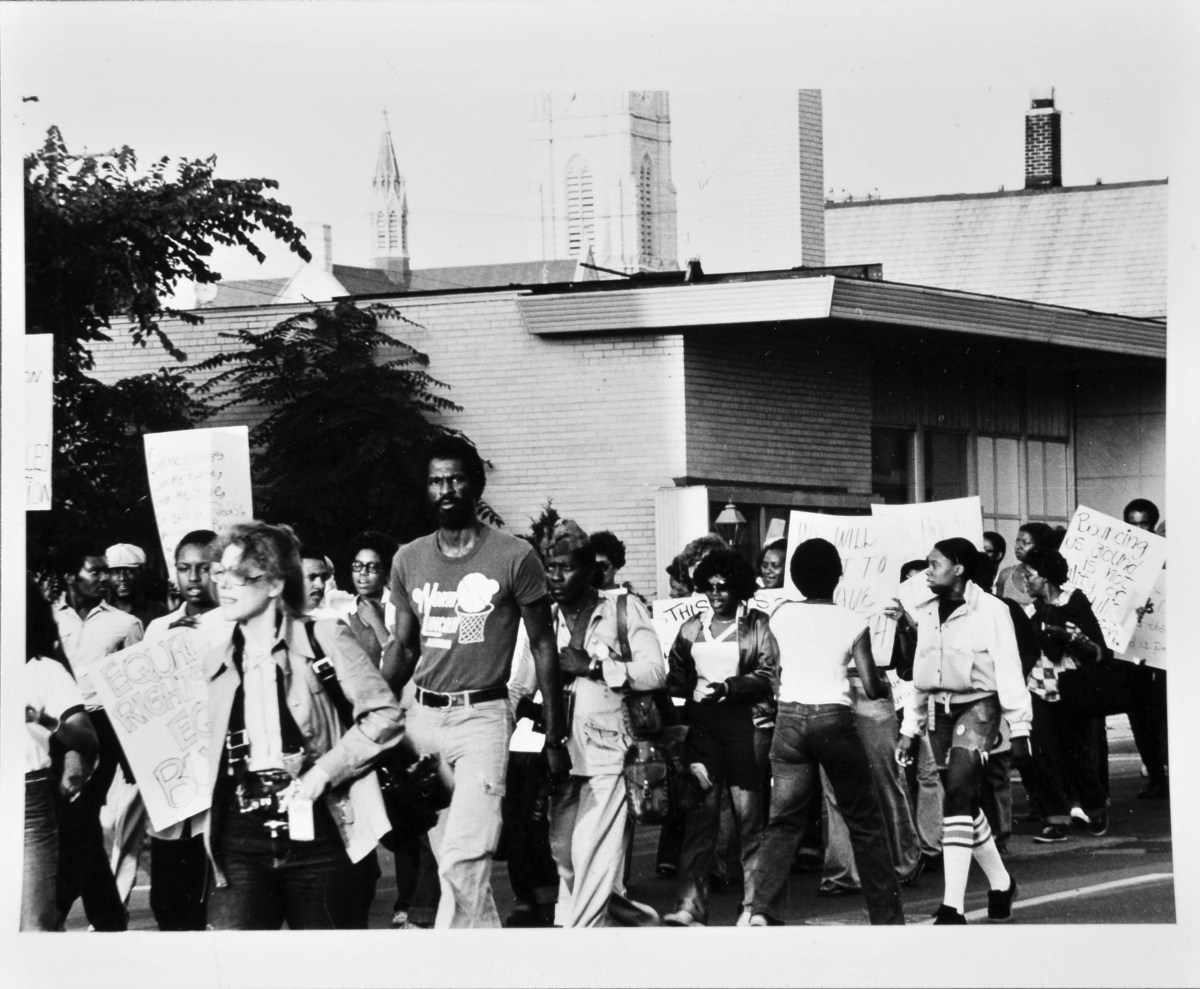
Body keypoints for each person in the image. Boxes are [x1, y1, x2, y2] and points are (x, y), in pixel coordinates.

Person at [386, 435, 569, 928]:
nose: (445, 489)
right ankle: (490, 962)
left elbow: (544, 645)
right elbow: (403, 648)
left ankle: (449, 969)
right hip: (421, 723)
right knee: (456, 867)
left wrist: (555, 734)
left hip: (482, 720)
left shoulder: (514, 556)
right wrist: (373, 711)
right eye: (435, 480)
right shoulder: (408, 559)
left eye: (456, 478)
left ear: (476, 485)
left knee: (463, 857)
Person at [201, 521, 404, 929]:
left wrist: (323, 773)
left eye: (241, 575)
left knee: (324, 968)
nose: (225, 586)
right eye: (220, 574)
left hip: (323, 831)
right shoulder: (215, 660)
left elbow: (385, 715)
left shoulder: (322, 637)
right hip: (241, 835)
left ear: (275, 583)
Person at [748, 538, 905, 926]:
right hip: (834, 721)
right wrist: (885, 685)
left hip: (788, 722)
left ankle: (761, 910)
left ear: (795, 577)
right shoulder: (853, 621)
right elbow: (871, 686)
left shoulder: (780, 615)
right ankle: (887, 918)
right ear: (837, 576)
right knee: (864, 821)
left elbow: (774, 667)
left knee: (783, 820)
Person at [893, 537, 1031, 925]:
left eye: (934, 565)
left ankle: (952, 906)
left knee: (956, 796)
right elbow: (921, 675)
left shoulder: (992, 609)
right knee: (963, 802)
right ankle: (1001, 883)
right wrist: (910, 728)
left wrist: (1020, 728)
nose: (927, 572)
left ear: (959, 568)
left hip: (980, 705)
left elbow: (1009, 667)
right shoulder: (926, 611)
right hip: (939, 710)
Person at [537, 519, 666, 927]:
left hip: (611, 756)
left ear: (589, 568)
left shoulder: (622, 610)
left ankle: (579, 952)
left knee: (591, 854)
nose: (555, 577)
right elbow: (521, 682)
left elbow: (654, 672)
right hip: (560, 758)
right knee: (568, 861)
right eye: (549, 567)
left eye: (566, 567)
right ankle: (643, 927)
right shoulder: (545, 618)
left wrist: (596, 665)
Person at [663, 548, 777, 927]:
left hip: (745, 726)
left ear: (739, 588)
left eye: (723, 587)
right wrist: (678, 714)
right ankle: (691, 907)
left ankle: (754, 908)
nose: (714, 594)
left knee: (748, 820)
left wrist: (730, 687)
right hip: (703, 727)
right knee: (701, 817)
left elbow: (768, 674)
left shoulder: (757, 624)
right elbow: (677, 672)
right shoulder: (692, 627)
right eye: (709, 586)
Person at [51, 539, 143, 932]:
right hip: (54, 727)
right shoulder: (49, 618)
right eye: (96, 571)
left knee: (80, 814)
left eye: (108, 571)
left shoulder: (126, 625)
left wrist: (135, 754)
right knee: (78, 824)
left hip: (100, 727)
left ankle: (55, 908)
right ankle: (108, 917)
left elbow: (137, 693)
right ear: (73, 577)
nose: (105, 579)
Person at [138, 529, 224, 930]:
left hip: (217, 767)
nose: (194, 578)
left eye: (204, 569)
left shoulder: (232, 623)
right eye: (185, 568)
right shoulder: (158, 628)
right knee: (168, 896)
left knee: (213, 885)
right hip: (173, 774)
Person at [1019, 546, 1120, 843]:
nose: (1026, 581)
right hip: (1038, 687)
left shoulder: (1074, 602)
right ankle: (1055, 820)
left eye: (1030, 575)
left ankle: (1095, 808)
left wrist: (1070, 638)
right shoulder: (1030, 611)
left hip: (1072, 688)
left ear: (1046, 577)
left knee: (1077, 754)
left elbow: (1099, 650)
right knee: (1044, 754)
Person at [23, 579, 98, 931]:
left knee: (33, 925)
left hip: (29, 804)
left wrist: (45, 720)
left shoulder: (42, 669)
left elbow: (85, 736)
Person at [1122, 498, 1168, 800]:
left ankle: (1169, 769)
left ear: (1154, 525)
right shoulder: (1118, 559)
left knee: (1164, 712)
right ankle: (1154, 773)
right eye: (1133, 524)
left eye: (1144, 524)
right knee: (1138, 714)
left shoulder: (1169, 558)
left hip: (1163, 649)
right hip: (1130, 651)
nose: (1139, 530)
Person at [106, 542, 171, 629]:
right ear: (108, 576)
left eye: (129, 571)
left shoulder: (157, 611)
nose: (122, 578)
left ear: (139, 574)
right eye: (115, 572)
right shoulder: (101, 612)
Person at [995, 522, 1055, 607]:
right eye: (1017, 541)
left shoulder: (1049, 579)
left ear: (1040, 546)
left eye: (1025, 542)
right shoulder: (1006, 574)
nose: (1018, 546)